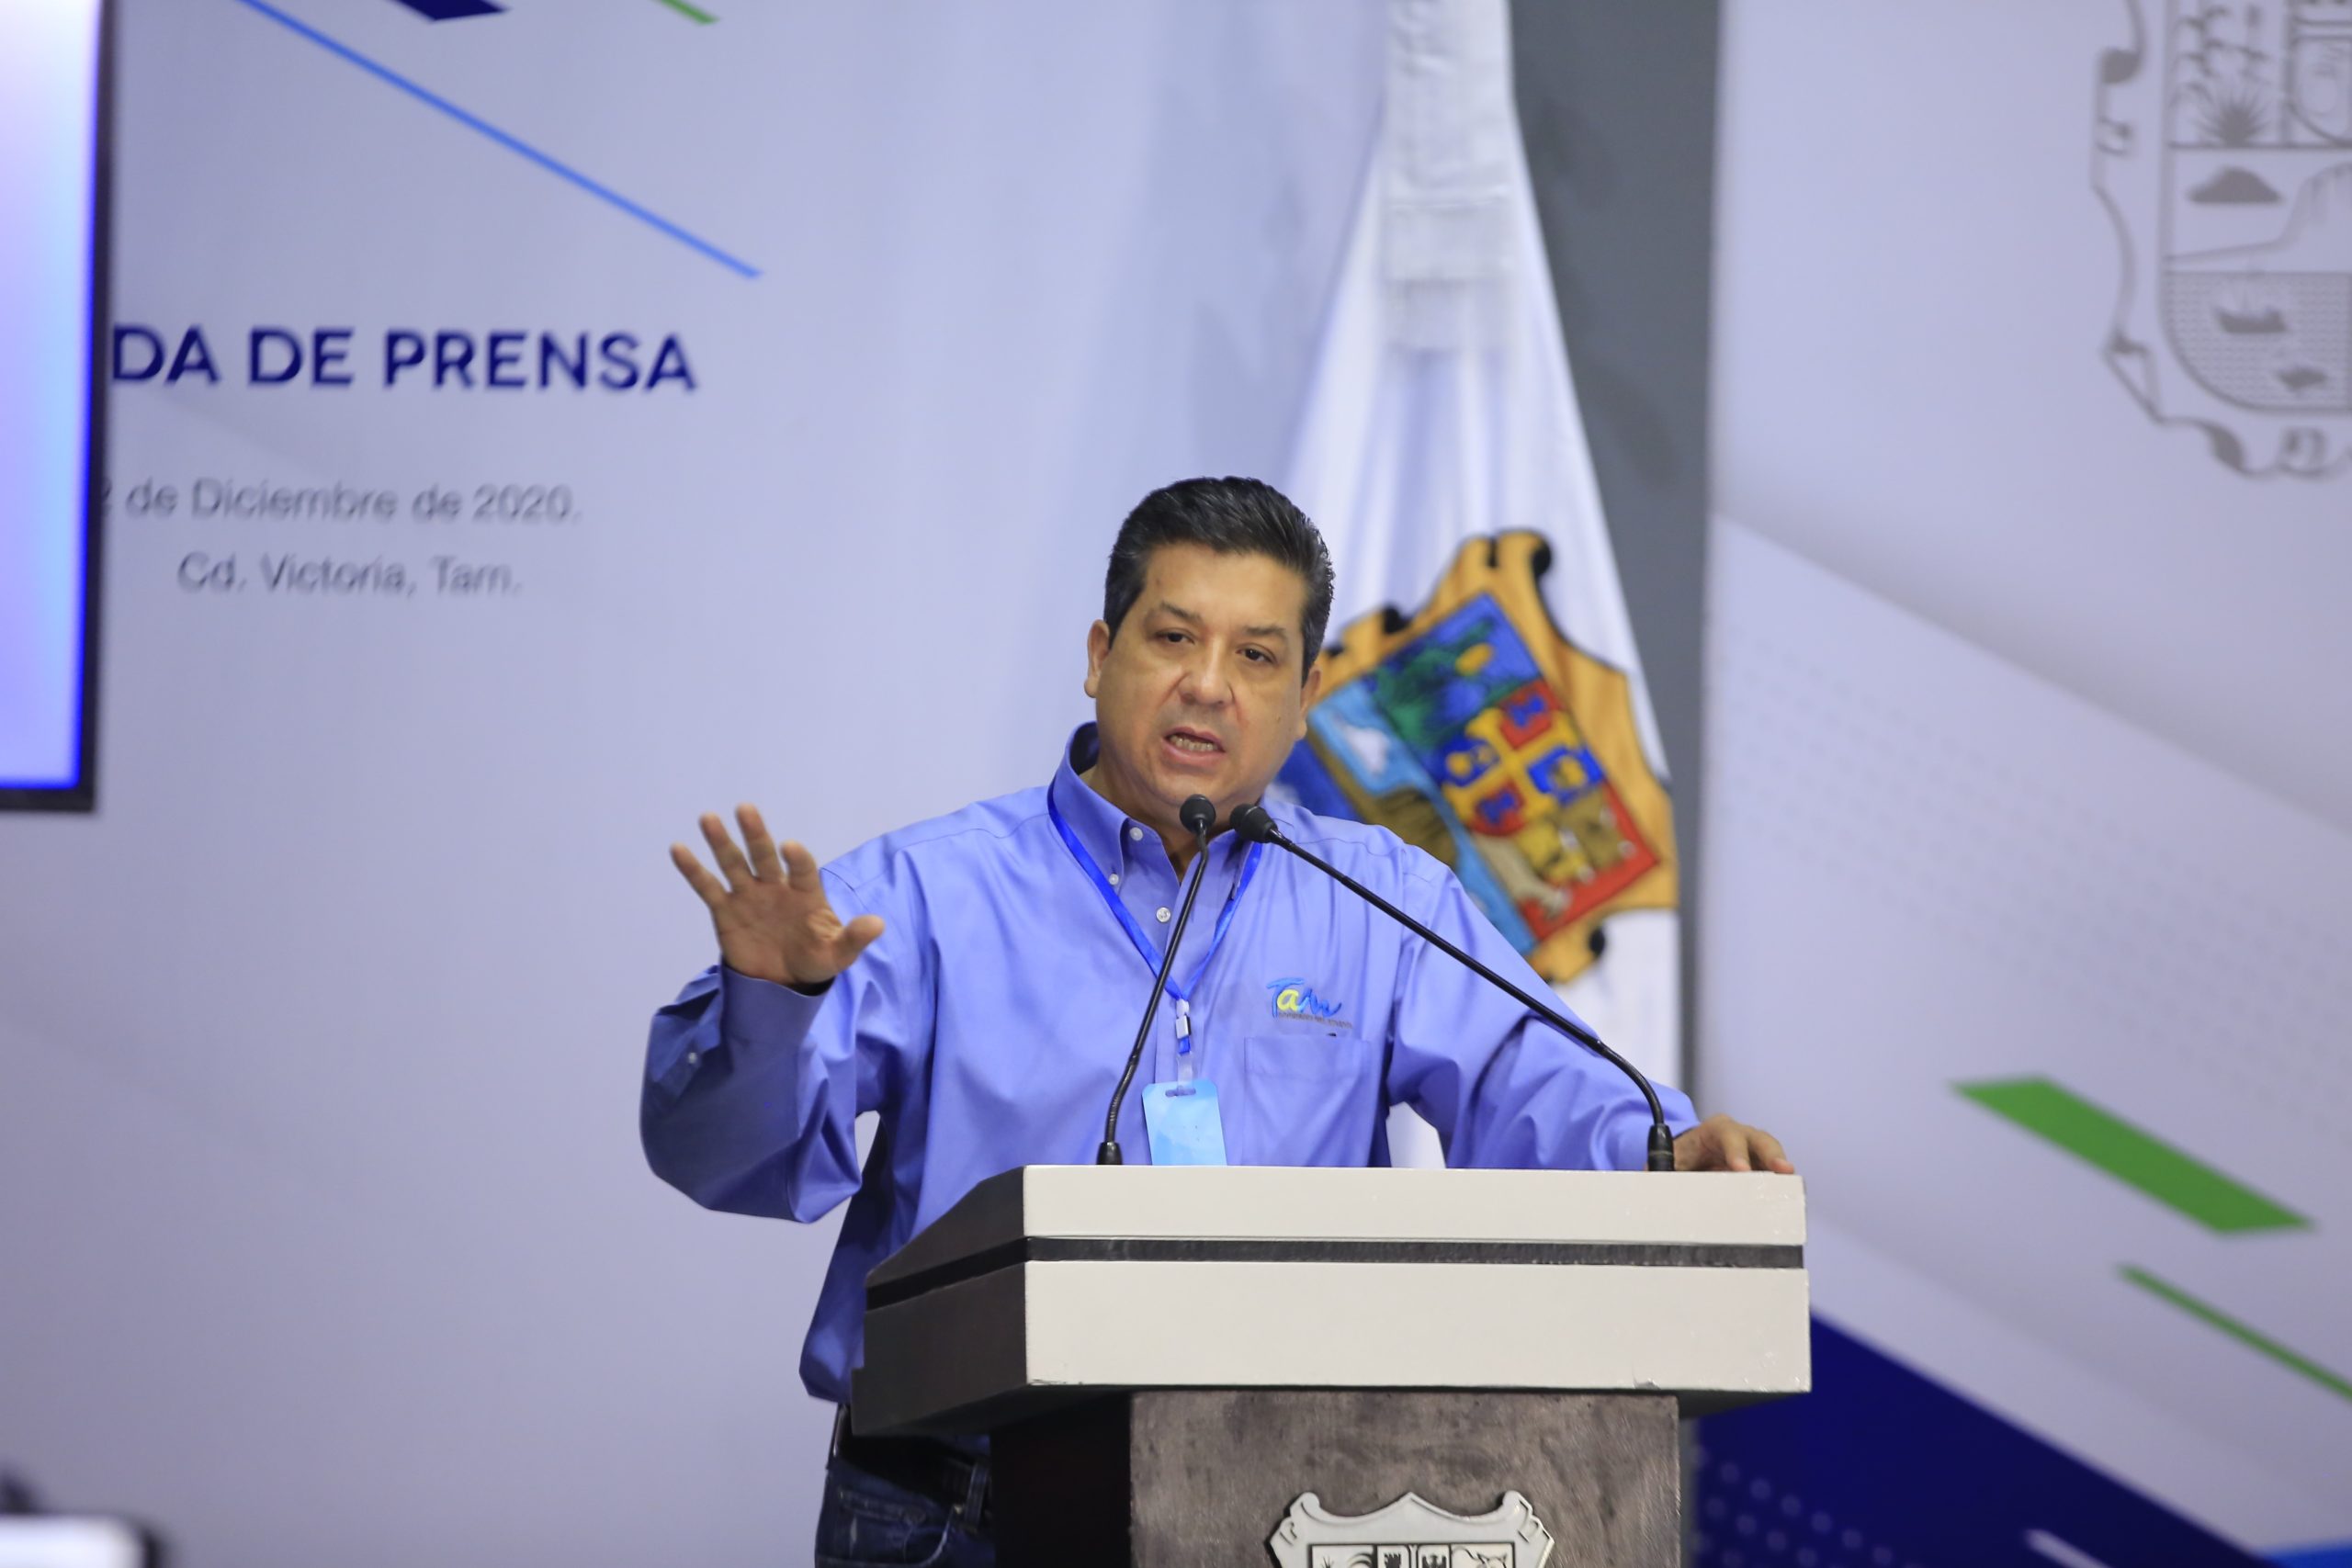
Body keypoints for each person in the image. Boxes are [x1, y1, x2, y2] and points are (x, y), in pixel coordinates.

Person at [642, 476, 1792, 1567]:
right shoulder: (926, 893)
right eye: (1173, 637)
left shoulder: (1379, 898)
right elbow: (723, 1159)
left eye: (1256, 656)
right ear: (1099, 657)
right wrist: (773, 1005)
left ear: (1304, 697)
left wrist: (1664, 1149)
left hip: (1282, 1500)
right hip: (957, 1519)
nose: (1207, 684)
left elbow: (1529, 1076)